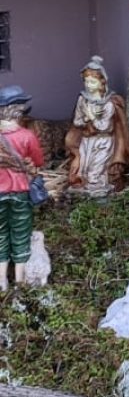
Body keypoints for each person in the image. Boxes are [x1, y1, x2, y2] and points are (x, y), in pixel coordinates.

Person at [65, 57, 129, 196]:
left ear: (102, 82)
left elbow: (104, 126)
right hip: (86, 141)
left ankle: (99, 191)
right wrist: (86, 118)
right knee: (84, 170)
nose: (88, 85)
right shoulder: (82, 99)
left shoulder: (109, 103)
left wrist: (92, 117)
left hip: (103, 141)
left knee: (96, 172)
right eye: (86, 81)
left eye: (92, 82)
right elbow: (77, 121)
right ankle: (87, 191)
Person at [0, 85, 44, 290]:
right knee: (21, 234)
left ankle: (1, 281)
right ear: (19, 110)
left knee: (0, 234)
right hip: (20, 191)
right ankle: (20, 282)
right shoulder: (27, 135)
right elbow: (38, 161)